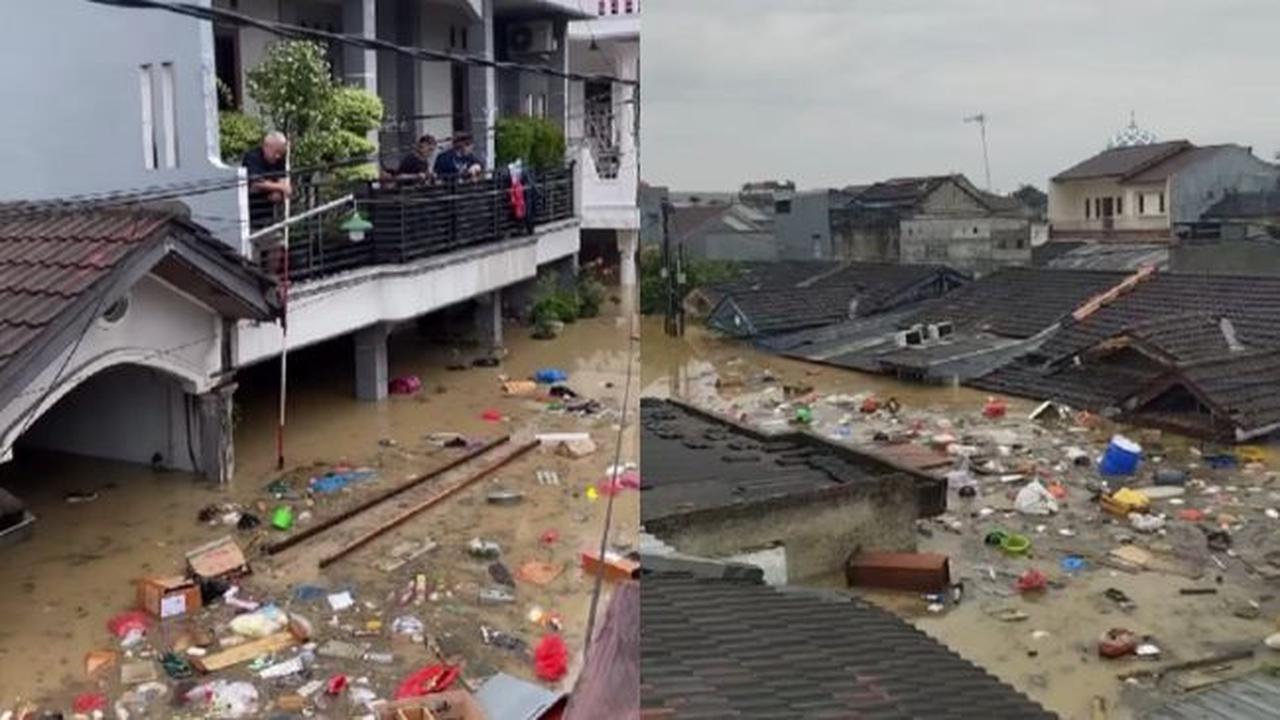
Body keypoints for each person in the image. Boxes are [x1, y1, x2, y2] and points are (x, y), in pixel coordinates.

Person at [242, 131, 292, 231]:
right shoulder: (252, 157)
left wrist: (279, 189)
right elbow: (256, 183)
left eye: (281, 153)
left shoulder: (279, 159)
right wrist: (279, 187)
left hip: (268, 217)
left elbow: (283, 182)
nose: (278, 156)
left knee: (278, 245)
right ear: (267, 147)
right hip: (250, 215)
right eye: (276, 152)